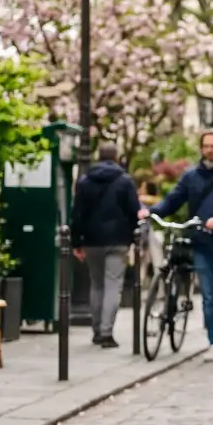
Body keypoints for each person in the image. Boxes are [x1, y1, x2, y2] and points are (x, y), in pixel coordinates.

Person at [139, 130, 213, 361]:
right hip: (202, 243)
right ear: (201, 149)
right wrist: (150, 211)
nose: (209, 149)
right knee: (208, 296)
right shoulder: (191, 176)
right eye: (206, 146)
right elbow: (173, 200)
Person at [70, 143, 141, 349]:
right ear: (116, 157)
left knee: (97, 284)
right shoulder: (125, 181)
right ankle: (106, 332)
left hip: (91, 240)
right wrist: (134, 237)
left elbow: (77, 214)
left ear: (97, 156)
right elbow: (133, 211)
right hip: (118, 240)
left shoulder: (85, 181)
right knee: (112, 285)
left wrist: (76, 242)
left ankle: (96, 330)